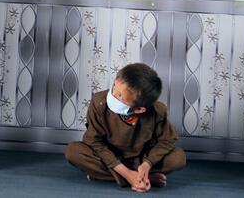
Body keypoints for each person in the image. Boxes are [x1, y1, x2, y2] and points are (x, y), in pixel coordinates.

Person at [65, 63, 186, 192]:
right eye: (113, 88)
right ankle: (138, 178)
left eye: (120, 96)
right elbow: (94, 141)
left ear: (139, 109)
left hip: (140, 158)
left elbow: (167, 140)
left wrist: (147, 165)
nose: (112, 96)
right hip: (109, 157)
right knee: (73, 151)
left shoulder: (157, 111)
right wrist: (126, 173)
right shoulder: (99, 102)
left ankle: (123, 175)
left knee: (178, 157)